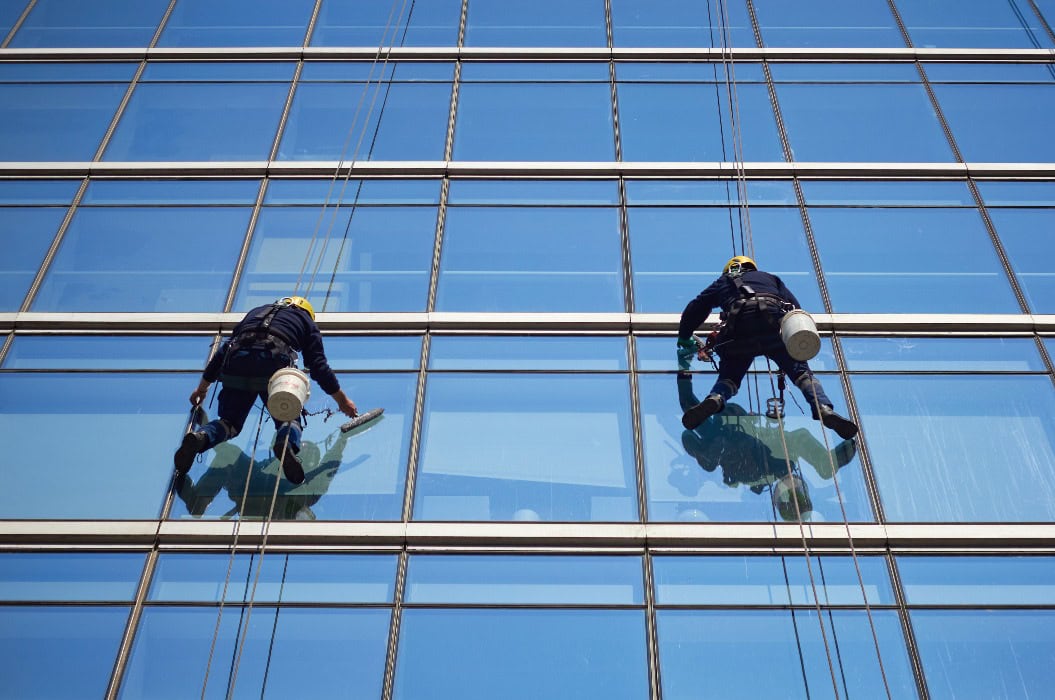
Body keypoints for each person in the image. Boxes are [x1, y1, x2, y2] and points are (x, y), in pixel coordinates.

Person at [173, 296, 357, 484]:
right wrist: (342, 400)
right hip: (271, 364)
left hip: (236, 363)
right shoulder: (307, 322)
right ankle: (286, 444)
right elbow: (318, 367)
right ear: (308, 312)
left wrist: (202, 389)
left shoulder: (255, 314)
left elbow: (223, 352)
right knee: (289, 416)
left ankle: (201, 437)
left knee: (230, 423)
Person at [676, 255, 858, 440]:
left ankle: (715, 398)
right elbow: (796, 311)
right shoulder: (771, 279)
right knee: (801, 372)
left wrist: (684, 336)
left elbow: (696, 308)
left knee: (730, 375)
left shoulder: (724, 281)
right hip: (773, 326)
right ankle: (823, 407)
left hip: (739, 329)